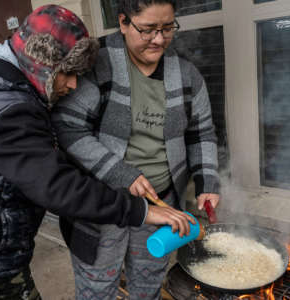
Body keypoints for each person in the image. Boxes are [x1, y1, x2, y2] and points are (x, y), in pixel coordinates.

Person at [0, 5, 193, 300]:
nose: (72, 84)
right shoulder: (9, 111)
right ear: (40, 64)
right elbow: (59, 187)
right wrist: (141, 210)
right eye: (66, 73)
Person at [52, 0, 221, 299]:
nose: (159, 39)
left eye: (167, 28)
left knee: (148, 285)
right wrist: (121, 173)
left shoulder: (186, 75)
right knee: (97, 288)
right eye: (147, 30)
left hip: (160, 203)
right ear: (123, 22)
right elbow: (68, 127)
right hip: (102, 204)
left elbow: (202, 132)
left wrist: (207, 181)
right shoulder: (96, 66)